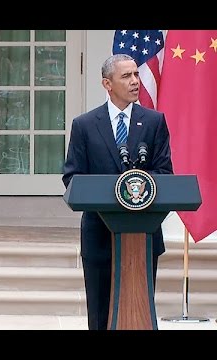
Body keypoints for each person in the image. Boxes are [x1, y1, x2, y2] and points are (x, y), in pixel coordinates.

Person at [62, 54, 173, 330]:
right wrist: (114, 191)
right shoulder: (85, 125)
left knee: (140, 310)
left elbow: (164, 173)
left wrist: (137, 188)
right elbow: (72, 177)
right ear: (107, 83)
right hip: (99, 235)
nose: (135, 81)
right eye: (126, 76)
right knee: (100, 315)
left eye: (136, 74)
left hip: (143, 236)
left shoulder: (154, 122)